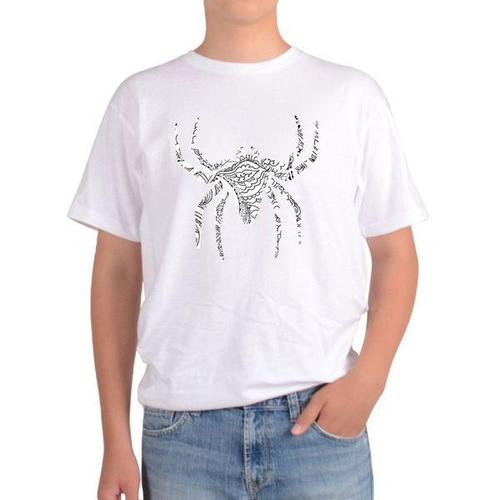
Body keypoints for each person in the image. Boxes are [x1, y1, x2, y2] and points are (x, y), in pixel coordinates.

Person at [68, 0, 428, 498]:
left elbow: (395, 253)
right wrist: (114, 437)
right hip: (182, 431)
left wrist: (370, 378)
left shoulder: (351, 96)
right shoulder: (141, 100)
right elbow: (116, 273)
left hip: (320, 421)